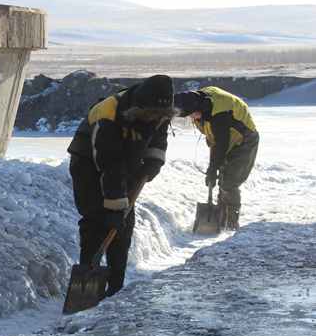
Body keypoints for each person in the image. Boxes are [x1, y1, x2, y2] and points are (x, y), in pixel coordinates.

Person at [66, 74, 175, 297]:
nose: (154, 119)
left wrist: (154, 162)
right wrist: (114, 206)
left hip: (127, 160)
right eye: (150, 114)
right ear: (139, 107)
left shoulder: (160, 112)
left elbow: (158, 140)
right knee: (96, 220)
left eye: (159, 115)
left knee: (123, 225)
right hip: (88, 164)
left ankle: (115, 285)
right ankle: (88, 276)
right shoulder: (108, 114)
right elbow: (109, 163)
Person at [174, 87, 258, 230]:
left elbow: (221, 144)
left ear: (198, 108)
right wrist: (213, 168)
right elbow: (214, 140)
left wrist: (213, 169)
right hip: (224, 138)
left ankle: (232, 223)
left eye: (192, 114)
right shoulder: (197, 102)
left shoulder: (220, 113)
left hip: (244, 140)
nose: (192, 118)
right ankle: (221, 216)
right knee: (222, 178)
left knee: (229, 182)